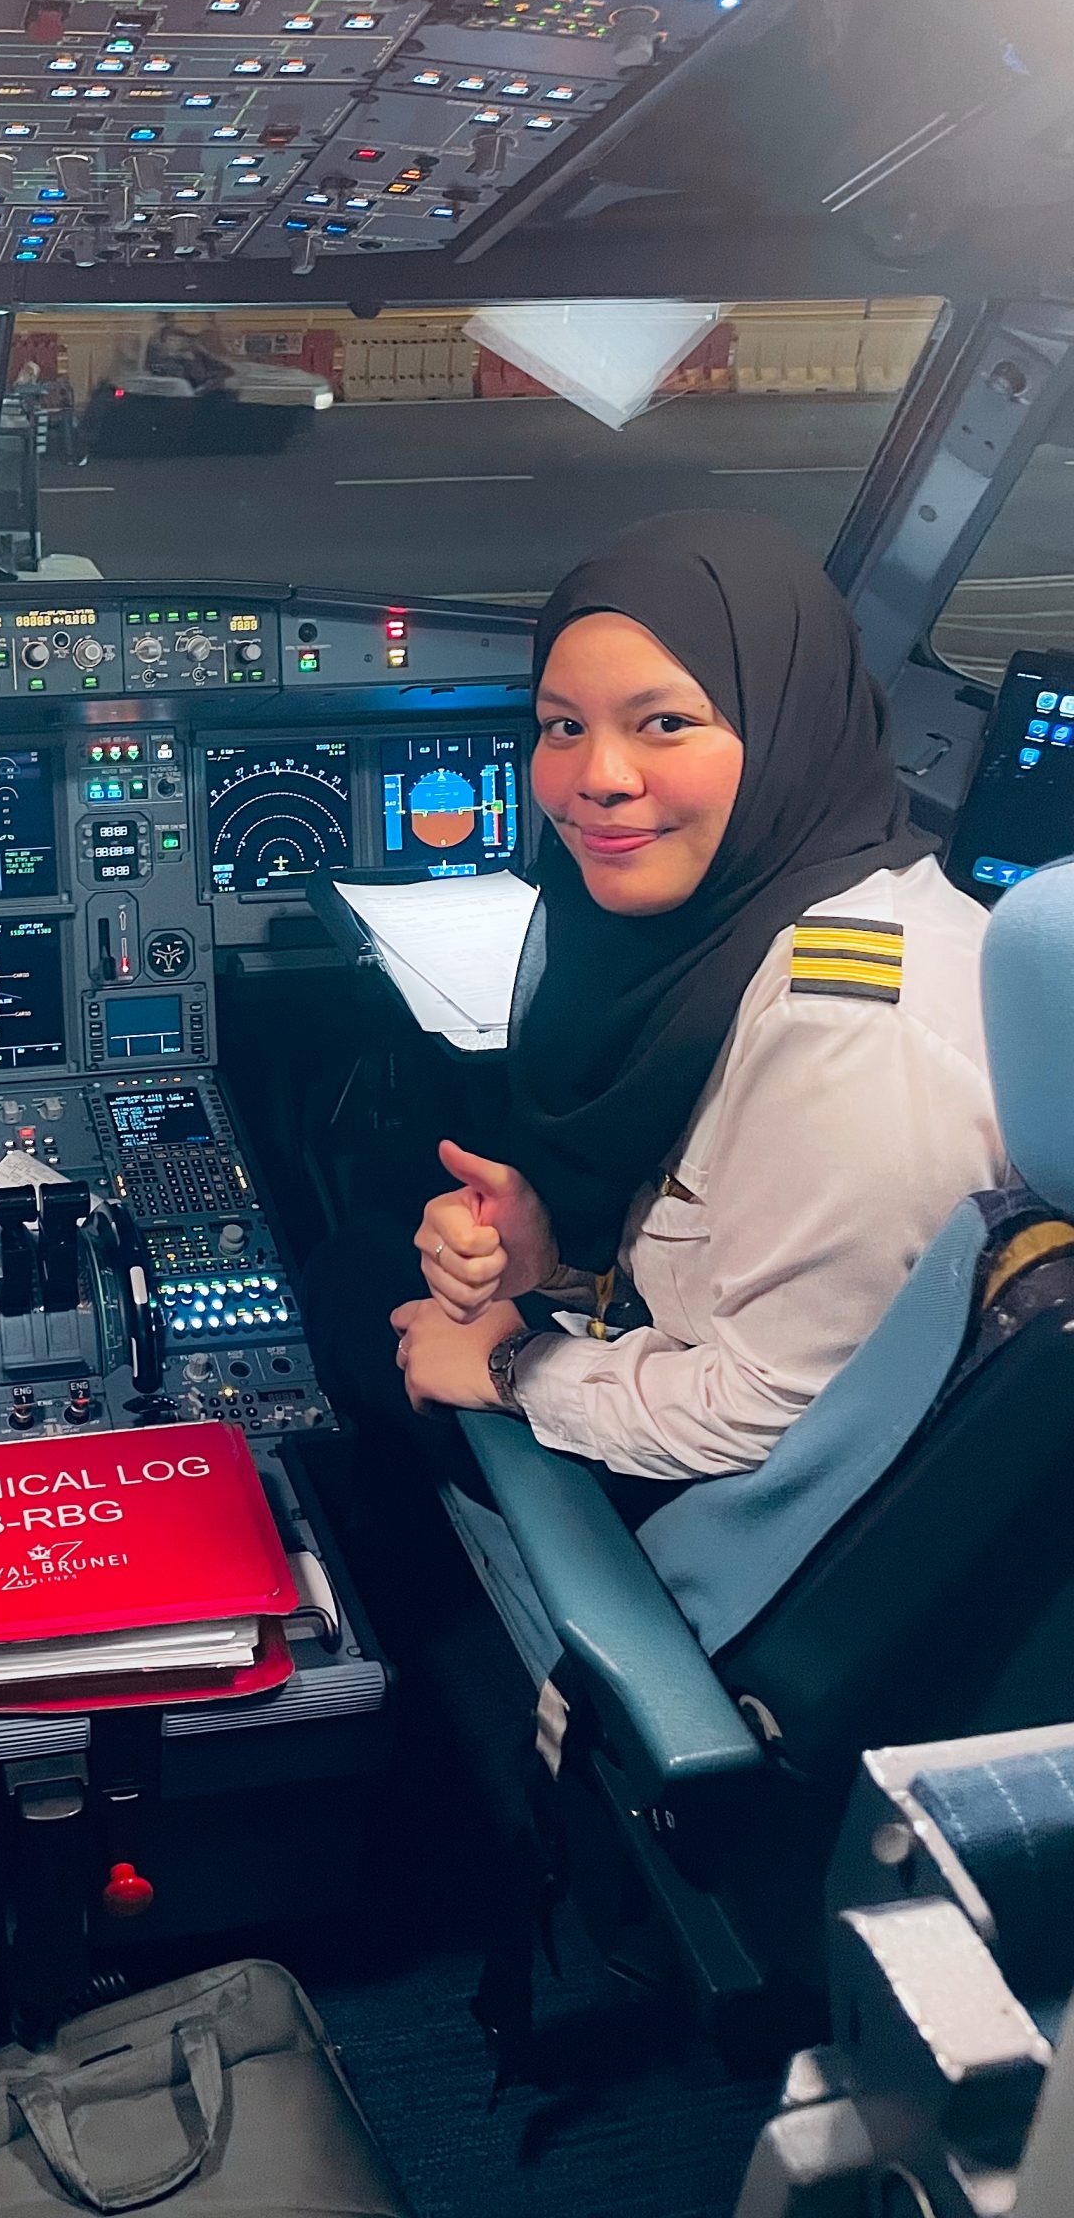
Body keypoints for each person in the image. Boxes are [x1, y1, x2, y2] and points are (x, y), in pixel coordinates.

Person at [307, 512, 1005, 1518]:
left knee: (348, 1281)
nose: (599, 777)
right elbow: (723, 1260)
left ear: (788, 725)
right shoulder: (780, 905)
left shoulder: (851, 1038)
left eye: (665, 723)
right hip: (686, 1367)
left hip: (744, 1524)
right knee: (383, 1214)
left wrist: (512, 1367)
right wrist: (556, 1263)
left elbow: (784, 1406)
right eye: (563, 726)